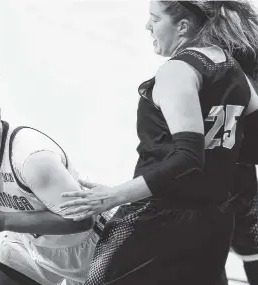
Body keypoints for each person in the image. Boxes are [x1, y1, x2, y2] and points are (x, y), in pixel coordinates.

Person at [58, 1, 258, 285]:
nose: (147, 26)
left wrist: (114, 195)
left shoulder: (178, 70)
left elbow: (188, 156)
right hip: (213, 223)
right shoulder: (234, 70)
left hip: (157, 217)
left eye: (155, 18)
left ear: (183, 27)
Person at [0, 57, 113, 285]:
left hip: (90, 249)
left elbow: (83, 221)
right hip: (31, 245)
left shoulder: (31, 158)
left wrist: (4, 220)